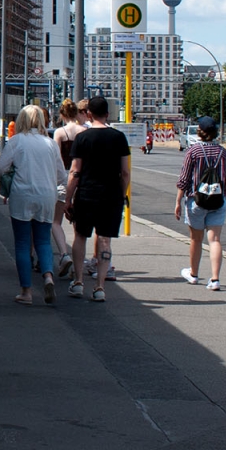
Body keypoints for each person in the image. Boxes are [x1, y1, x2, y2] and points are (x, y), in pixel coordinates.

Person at [0, 104, 66, 305]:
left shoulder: (17, 142)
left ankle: (26, 292)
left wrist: (0, 178)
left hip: (22, 195)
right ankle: (48, 276)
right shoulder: (50, 144)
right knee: (43, 240)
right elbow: (62, 176)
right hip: (47, 197)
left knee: (23, 244)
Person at [65, 96, 130, 302]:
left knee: (80, 236)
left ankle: (77, 282)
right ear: (108, 114)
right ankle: (100, 286)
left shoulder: (82, 138)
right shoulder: (119, 137)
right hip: (111, 196)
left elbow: (75, 171)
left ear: (89, 114)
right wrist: (121, 193)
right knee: (104, 240)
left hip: (86, 194)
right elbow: (125, 172)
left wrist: (67, 198)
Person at [176, 116, 226, 290]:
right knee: (215, 240)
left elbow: (184, 179)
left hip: (196, 201)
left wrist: (178, 201)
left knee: (196, 239)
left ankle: (193, 274)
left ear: (199, 132)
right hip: (217, 201)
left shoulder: (193, 151)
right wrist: (222, 195)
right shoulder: (222, 152)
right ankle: (215, 279)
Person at [50, 100, 87, 275]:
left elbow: (56, 160)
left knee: (56, 222)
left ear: (63, 115)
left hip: (63, 178)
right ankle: (78, 263)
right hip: (81, 179)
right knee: (78, 227)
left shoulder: (59, 132)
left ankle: (64, 255)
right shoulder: (85, 132)